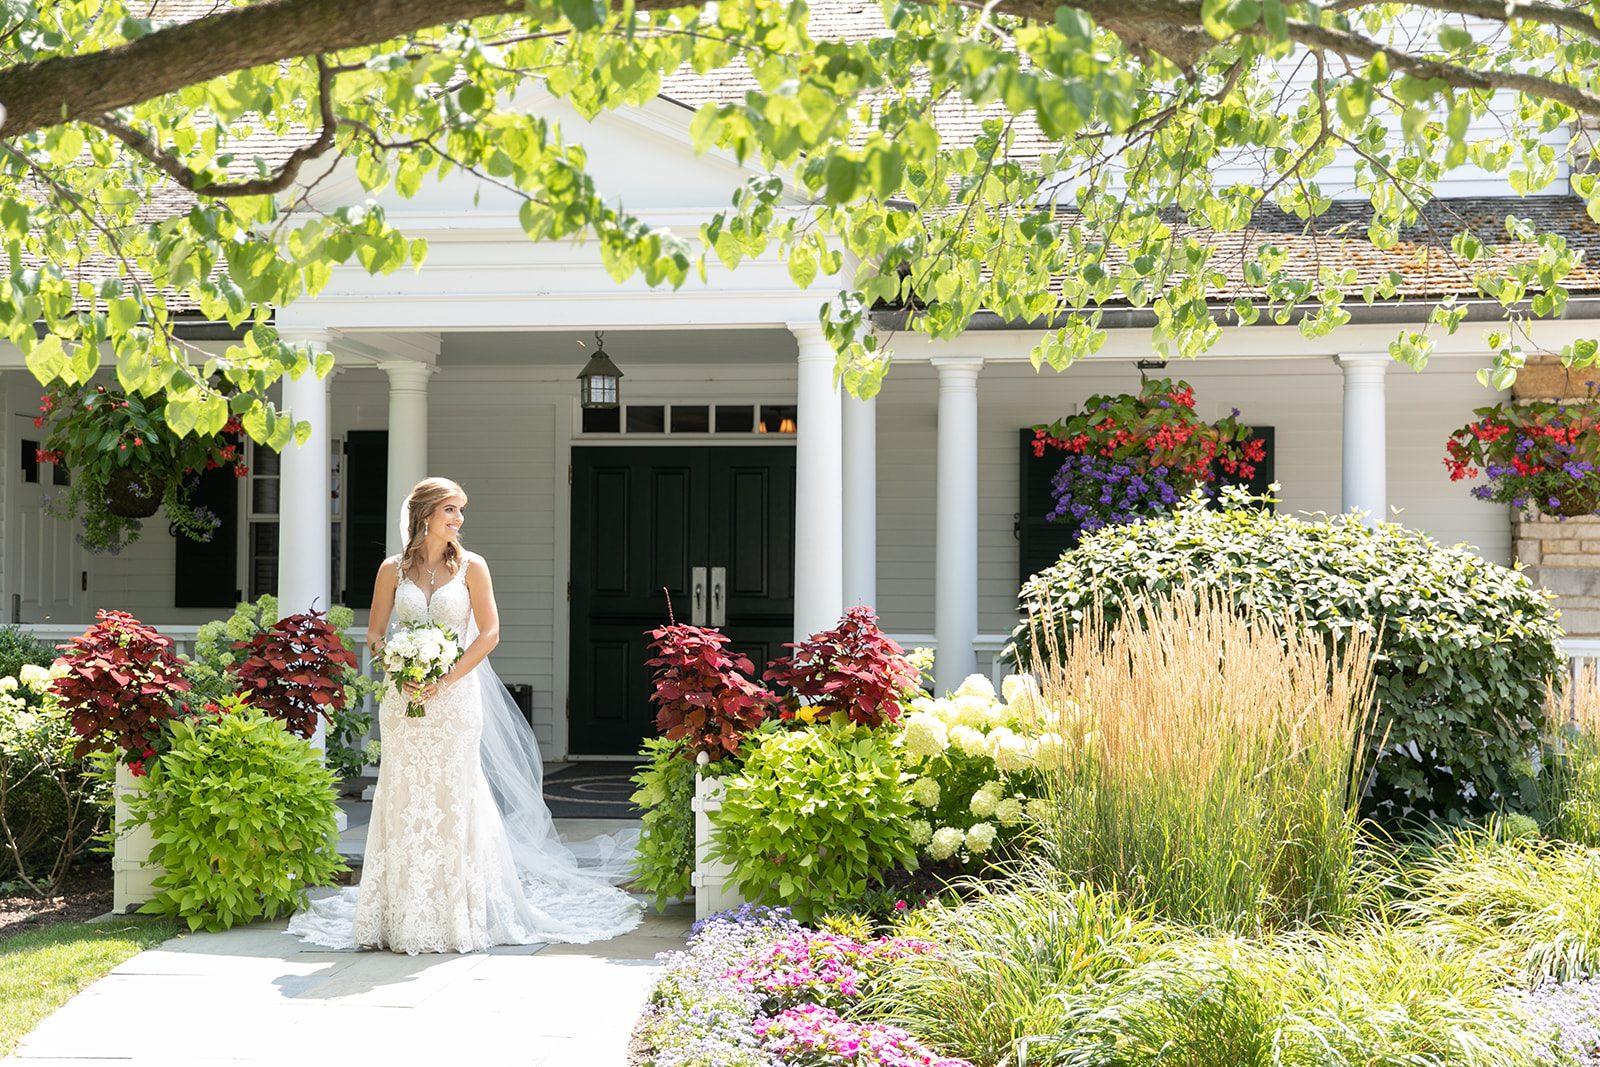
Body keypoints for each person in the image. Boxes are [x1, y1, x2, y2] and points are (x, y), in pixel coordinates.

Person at [288, 476, 641, 954]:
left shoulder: (473, 567)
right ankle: (399, 914)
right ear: (426, 515)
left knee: (454, 796)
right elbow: (373, 633)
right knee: (403, 797)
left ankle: (457, 915)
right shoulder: (391, 569)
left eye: (461, 511)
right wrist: (397, 662)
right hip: (404, 701)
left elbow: (490, 633)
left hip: (454, 701)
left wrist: (445, 678)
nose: (458, 520)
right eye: (451, 510)